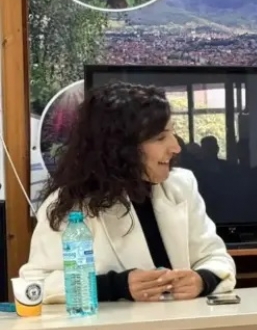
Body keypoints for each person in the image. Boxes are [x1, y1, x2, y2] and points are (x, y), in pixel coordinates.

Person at [19, 82, 237, 304]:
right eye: (160, 138)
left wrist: (202, 280)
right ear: (120, 147)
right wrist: (116, 286)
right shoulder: (72, 203)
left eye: (172, 133)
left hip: (184, 321)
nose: (176, 147)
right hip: (112, 326)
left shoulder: (181, 185)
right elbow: (36, 284)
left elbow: (216, 257)